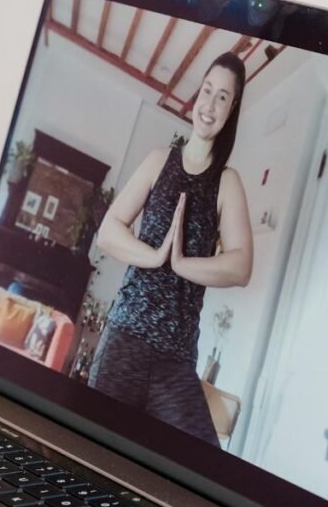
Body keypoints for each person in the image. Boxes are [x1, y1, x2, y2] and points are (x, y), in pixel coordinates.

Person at [88, 52, 254, 446]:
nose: (209, 104)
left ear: (231, 110)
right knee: (91, 453)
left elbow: (241, 266)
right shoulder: (158, 161)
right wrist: (155, 257)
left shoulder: (227, 183)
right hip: (124, 341)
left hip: (175, 362)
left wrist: (181, 263)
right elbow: (108, 231)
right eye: (207, 91)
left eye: (222, 97)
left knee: (199, 464)